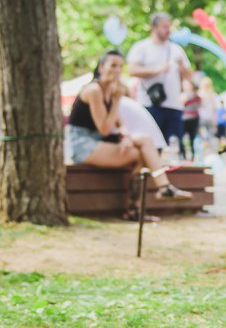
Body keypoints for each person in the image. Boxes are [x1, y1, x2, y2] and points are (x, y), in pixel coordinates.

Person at [67, 49, 191, 221]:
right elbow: (104, 128)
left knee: (145, 141)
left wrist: (125, 137)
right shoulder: (94, 90)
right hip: (83, 144)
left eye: (120, 66)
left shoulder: (111, 90)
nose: (117, 70)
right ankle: (139, 205)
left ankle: (161, 189)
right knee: (140, 154)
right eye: (113, 66)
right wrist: (117, 100)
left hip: (101, 141)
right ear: (102, 67)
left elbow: (118, 123)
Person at [127, 12, 193, 158]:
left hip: (174, 105)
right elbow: (131, 70)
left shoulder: (176, 50)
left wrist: (183, 68)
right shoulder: (142, 47)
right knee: (151, 146)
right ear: (154, 27)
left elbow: (189, 76)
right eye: (164, 26)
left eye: (169, 26)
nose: (168, 30)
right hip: (149, 104)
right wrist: (156, 70)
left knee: (173, 146)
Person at [179, 78, 201, 161]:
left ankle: (192, 155)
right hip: (183, 118)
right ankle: (183, 155)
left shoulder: (196, 96)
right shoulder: (182, 95)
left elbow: (198, 105)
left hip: (193, 118)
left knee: (192, 138)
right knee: (181, 137)